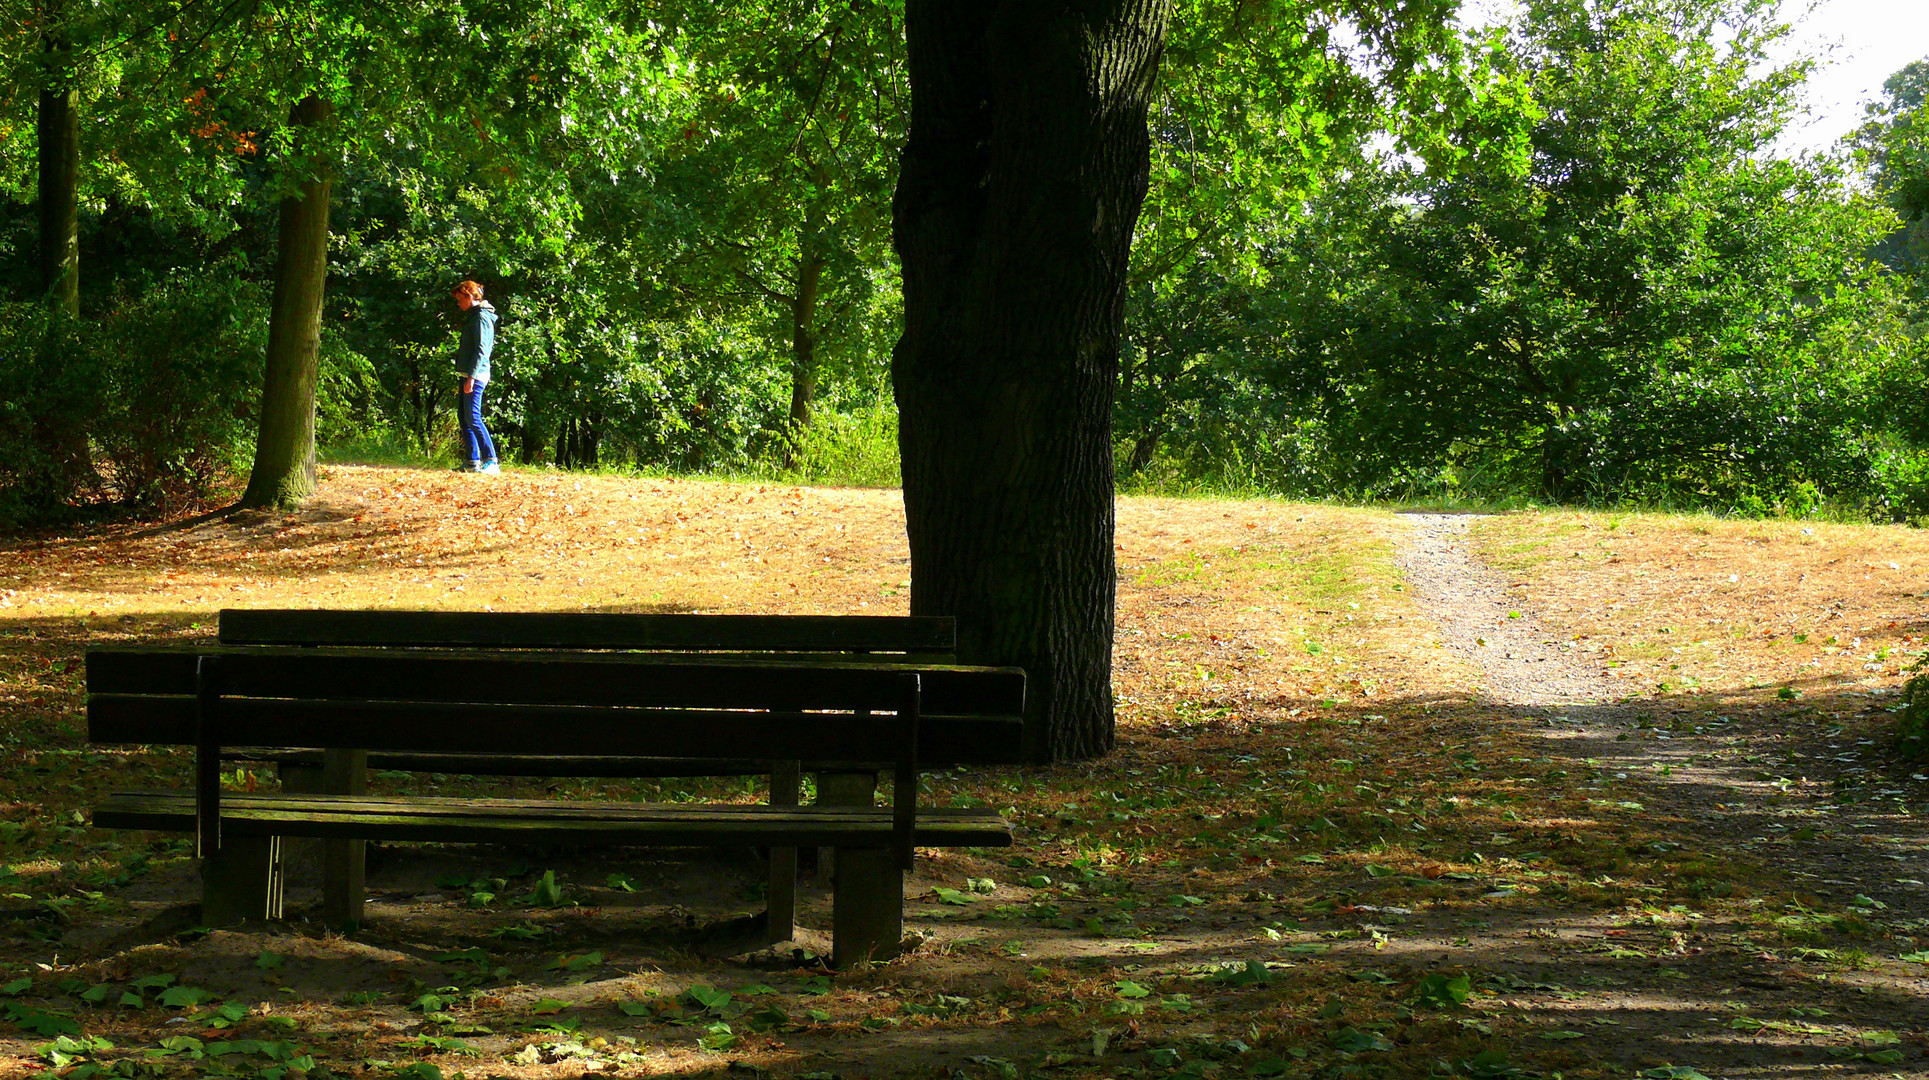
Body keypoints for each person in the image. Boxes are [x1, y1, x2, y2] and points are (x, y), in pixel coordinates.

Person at [452, 279, 501, 475]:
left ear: (469, 296)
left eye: (459, 299)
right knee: (464, 418)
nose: (458, 304)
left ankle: (491, 461)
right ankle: (472, 461)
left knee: (473, 417)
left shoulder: (482, 317)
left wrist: (472, 377)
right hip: (468, 373)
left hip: (477, 374)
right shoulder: (474, 316)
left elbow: (482, 349)